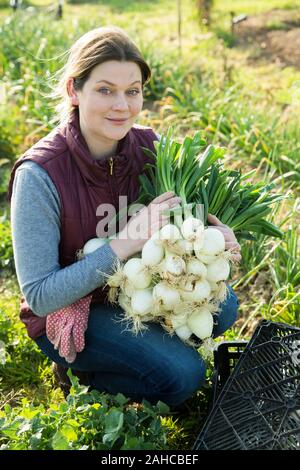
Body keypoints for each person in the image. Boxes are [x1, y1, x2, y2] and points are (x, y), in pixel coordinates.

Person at [8, 26, 241, 409]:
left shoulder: (152, 149)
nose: (122, 105)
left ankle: (141, 350)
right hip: (72, 309)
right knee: (183, 376)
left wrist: (218, 243)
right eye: (105, 90)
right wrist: (124, 244)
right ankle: (83, 375)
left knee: (225, 306)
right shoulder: (40, 175)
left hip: (136, 293)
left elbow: (190, 224)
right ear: (74, 91)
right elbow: (41, 296)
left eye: (132, 91)